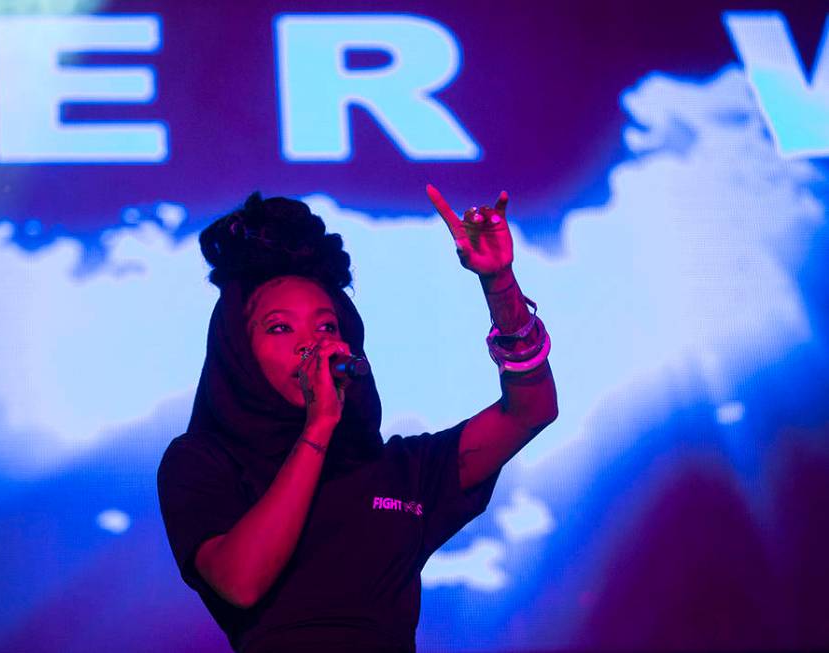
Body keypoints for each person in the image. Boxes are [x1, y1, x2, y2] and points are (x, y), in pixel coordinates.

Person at [157, 186, 558, 653]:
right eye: (280, 327)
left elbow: (531, 410)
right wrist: (318, 426)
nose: (311, 344)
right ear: (238, 351)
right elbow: (241, 581)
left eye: (326, 326)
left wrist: (500, 284)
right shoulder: (202, 463)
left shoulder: (404, 471)